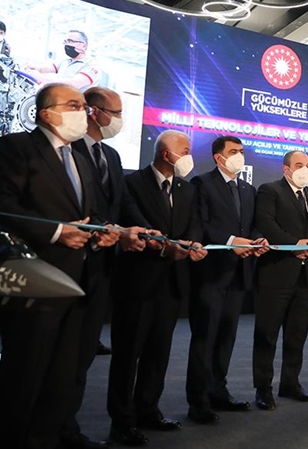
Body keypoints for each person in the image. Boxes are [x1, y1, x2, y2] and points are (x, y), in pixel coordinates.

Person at [0, 83, 120, 449]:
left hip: (78, 283)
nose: (84, 112)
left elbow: (89, 214)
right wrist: (56, 232)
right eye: (74, 104)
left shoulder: (80, 158)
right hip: (34, 281)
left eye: (84, 105)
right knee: (24, 377)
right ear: (45, 113)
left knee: (61, 377)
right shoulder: (15, 148)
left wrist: (102, 233)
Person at [107, 130, 207, 447]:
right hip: (138, 281)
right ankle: (122, 421)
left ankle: (148, 409)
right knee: (128, 355)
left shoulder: (187, 188)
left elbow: (194, 224)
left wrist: (192, 244)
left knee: (158, 352)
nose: (189, 156)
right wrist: (165, 248)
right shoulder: (132, 183)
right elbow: (135, 221)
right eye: (185, 150)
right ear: (166, 154)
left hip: (172, 282)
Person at [63, 86, 149, 449]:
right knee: (61, 355)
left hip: (103, 268)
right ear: (94, 112)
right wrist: (110, 229)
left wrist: (144, 230)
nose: (119, 120)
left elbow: (123, 203)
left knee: (83, 354)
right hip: (68, 264)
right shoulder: (68, 150)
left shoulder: (111, 155)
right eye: (115, 113)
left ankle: (67, 429)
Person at [186, 136, 268, 424]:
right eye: (233, 151)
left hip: (239, 273)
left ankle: (218, 391)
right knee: (205, 337)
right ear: (218, 157)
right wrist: (232, 241)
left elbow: (252, 225)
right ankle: (198, 400)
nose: (239, 156)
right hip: (211, 273)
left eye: (241, 151)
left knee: (226, 337)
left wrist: (257, 239)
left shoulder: (247, 189)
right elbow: (201, 223)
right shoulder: (202, 183)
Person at [252, 150, 308, 409]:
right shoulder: (270, 190)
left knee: (297, 335)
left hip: (305, 276)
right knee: (267, 335)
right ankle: (263, 388)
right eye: (299, 165)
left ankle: (290, 383)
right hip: (276, 273)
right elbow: (266, 223)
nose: (305, 169)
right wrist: (294, 244)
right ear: (286, 169)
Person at [26, 30, 107, 91]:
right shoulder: (65, 61)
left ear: (84, 46)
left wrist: (43, 79)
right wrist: (34, 68)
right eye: (66, 41)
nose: (67, 44)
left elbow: (74, 84)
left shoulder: (91, 66)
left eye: (70, 41)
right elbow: (46, 68)